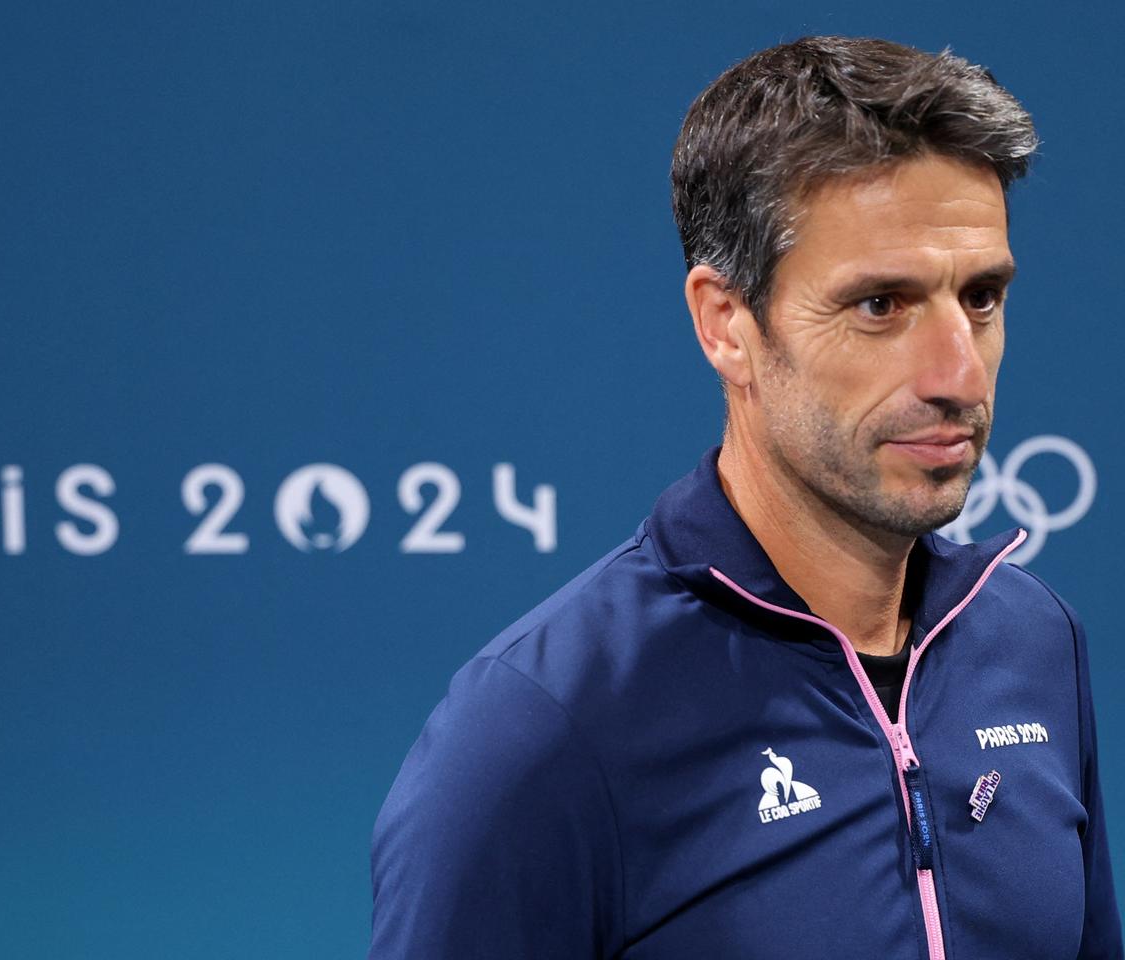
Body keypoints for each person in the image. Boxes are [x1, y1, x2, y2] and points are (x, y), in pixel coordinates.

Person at [368, 36, 1123, 960]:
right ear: (725, 323)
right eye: (879, 306)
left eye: (982, 298)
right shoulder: (540, 729)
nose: (958, 374)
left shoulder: (1036, 640)